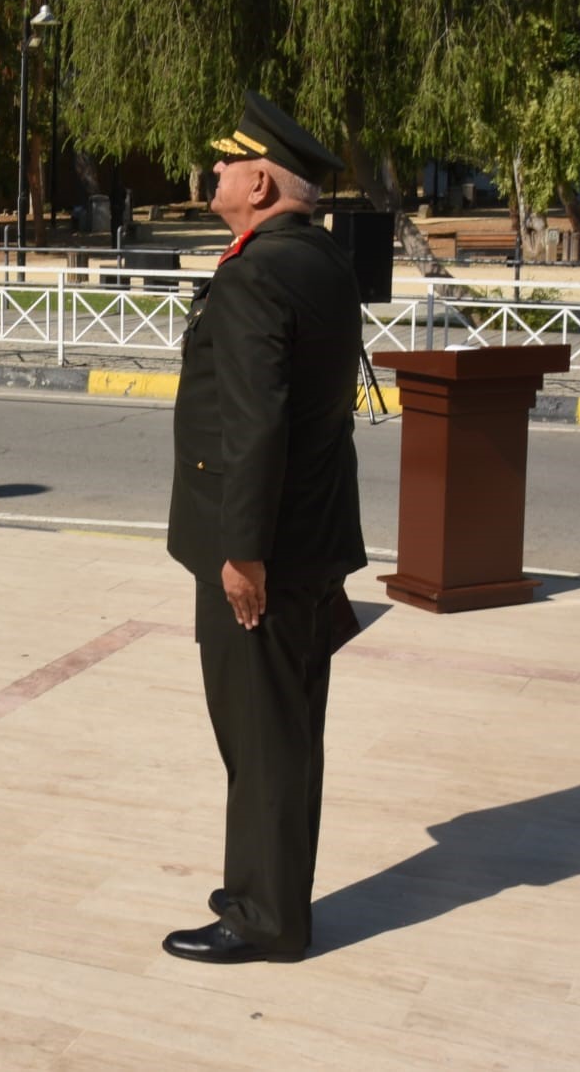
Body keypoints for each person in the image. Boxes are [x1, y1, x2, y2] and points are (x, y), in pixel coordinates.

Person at [161, 91, 366, 965]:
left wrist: (241, 553)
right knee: (283, 731)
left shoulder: (254, 273)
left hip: (264, 552)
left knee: (261, 737)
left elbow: (257, 424)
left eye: (227, 161)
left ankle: (263, 916)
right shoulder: (319, 260)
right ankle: (267, 895)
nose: (214, 171)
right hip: (313, 535)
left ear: (260, 184)